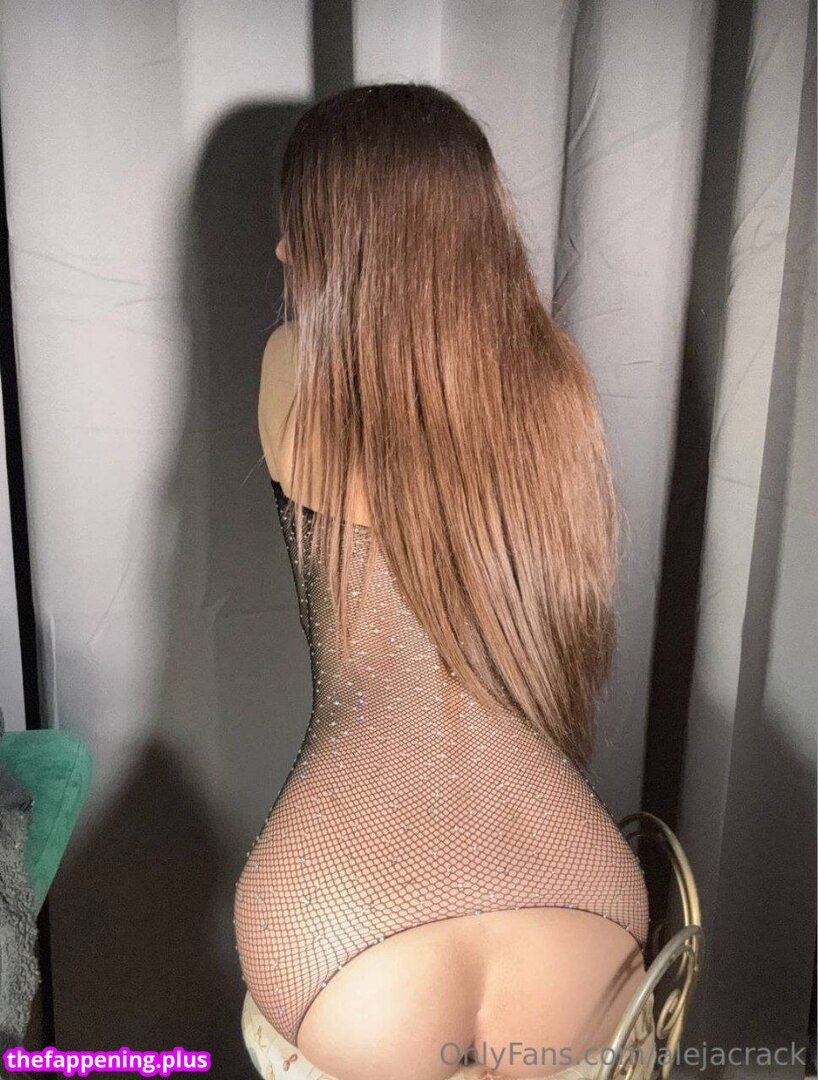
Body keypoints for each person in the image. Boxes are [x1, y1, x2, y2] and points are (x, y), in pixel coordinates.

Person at [234, 82, 652, 1080]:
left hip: (342, 919)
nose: (284, 250)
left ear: (353, 238)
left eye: (301, 226)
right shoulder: (559, 394)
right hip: (576, 901)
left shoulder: (292, 367)